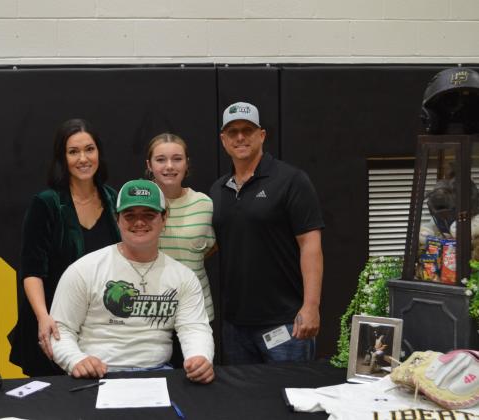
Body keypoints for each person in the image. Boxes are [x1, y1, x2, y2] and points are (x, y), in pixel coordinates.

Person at [49, 180, 215, 383]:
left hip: (158, 374)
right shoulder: (84, 270)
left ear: (164, 218)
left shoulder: (183, 276)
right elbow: (60, 329)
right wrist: (75, 360)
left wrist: (200, 357)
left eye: (148, 215)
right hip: (96, 376)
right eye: (130, 215)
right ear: (117, 219)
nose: (139, 222)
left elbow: (194, 327)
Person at [210, 101, 324, 364]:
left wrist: (311, 306)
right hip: (235, 327)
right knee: (243, 404)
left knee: (291, 400)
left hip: (285, 323)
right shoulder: (218, 190)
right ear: (223, 140)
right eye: (232, 131)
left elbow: (311, 245)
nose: (240, 137)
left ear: (261, 135)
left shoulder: (291, 181)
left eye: (247, 130)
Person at [9, 119, 121, 377]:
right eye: (73, 152)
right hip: (53, 326)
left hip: (99, 328)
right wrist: (43, 318)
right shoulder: (46, 203)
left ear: (99, 153)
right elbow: (31, 271)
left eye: (89, 149)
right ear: (62, 158)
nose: (83, 158)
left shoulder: (114, 199)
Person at [145, 133, 216, 322]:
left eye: (177, 159)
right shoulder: (137, 202)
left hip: (196, 313)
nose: (169, 166)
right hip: (149, 315)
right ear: (149, 165)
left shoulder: (204, 204)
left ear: (186, 164)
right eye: (161, 160)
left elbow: (210, 247)